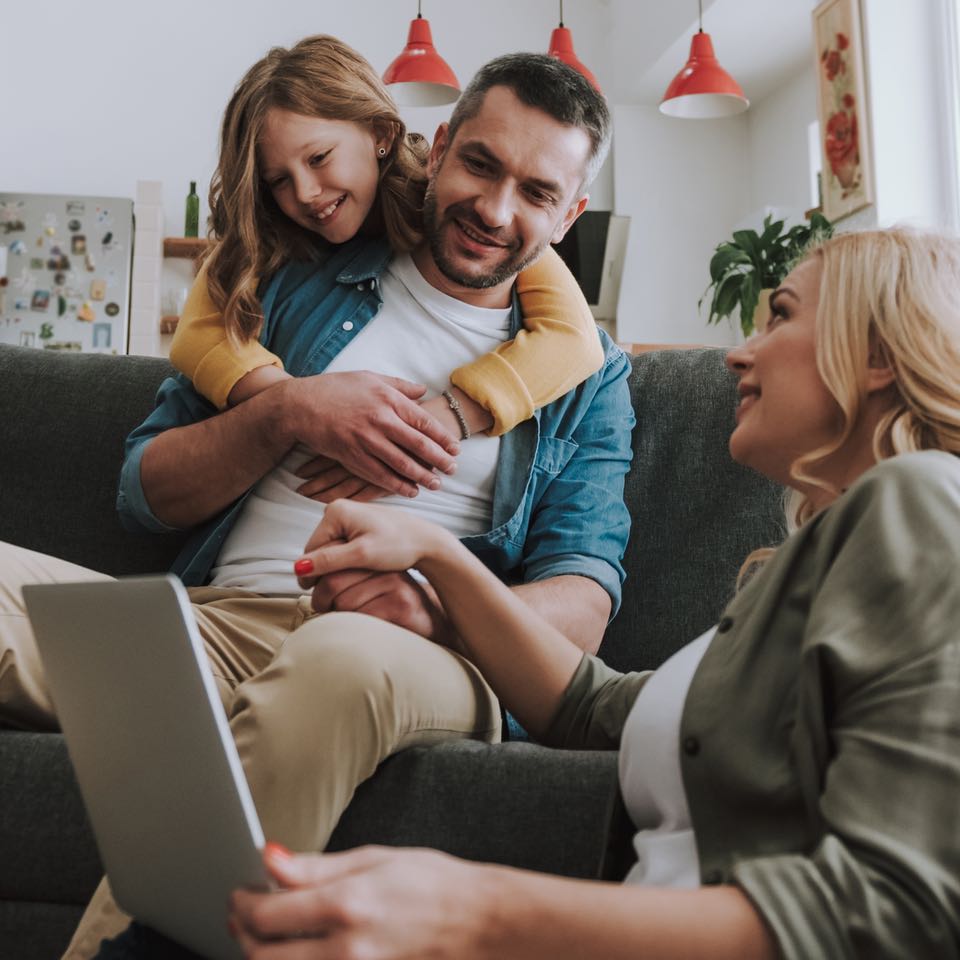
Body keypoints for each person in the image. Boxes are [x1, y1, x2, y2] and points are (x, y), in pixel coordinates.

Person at [0, 49, 634, 960]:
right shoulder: (304, 273)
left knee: (338, 657)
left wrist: (437, 605)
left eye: (537, 193)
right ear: (438, 145)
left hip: (407, 652)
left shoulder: (588, 374)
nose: (496, 210)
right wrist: (287, 411)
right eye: (482, 165)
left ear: (569, 214)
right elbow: (145, 489)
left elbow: (581, 609)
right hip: (214, 626)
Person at [219, 228, 960, 959]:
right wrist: (438, 557)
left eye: (784, 314)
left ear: (876, 358)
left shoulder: (923, 503)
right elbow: (589, 707)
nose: (741, 350)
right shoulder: (797, 575)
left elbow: (898, 913)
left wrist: (474, 915)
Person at [168, 33, 606, 493]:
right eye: (277, 179)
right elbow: (198, 337)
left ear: (381, 135)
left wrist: (443, 418)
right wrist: (298, 405)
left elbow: (574, 340)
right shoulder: (271, 236)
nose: (304, 193)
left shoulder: (458, 212)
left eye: (320, 158)